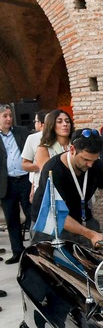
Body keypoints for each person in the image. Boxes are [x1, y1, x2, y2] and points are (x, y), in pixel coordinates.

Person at [31, 129, 103, 246]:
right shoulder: (53, 170)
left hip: (82, 219)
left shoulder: (97, 166)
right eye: (86, 159)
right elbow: (58, 215)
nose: (90, 164)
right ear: (72, 150)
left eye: (94, 159)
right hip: (50, 223)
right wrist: (91, 234)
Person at [1, 102, 33, 265]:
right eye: (5, 116)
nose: (9, 119)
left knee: (32, 215)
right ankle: (17, 252)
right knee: (12, 219)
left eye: (10, 116)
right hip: (6, 183)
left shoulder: (22, 132)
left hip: (25, 180)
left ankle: (36, 250)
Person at [21, 109, 50, 202]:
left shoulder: (62, 137)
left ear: (41, 123)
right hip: (39, 185)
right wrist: (42, 165)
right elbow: (25, 164)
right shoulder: (32, 138)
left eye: (35, 121)